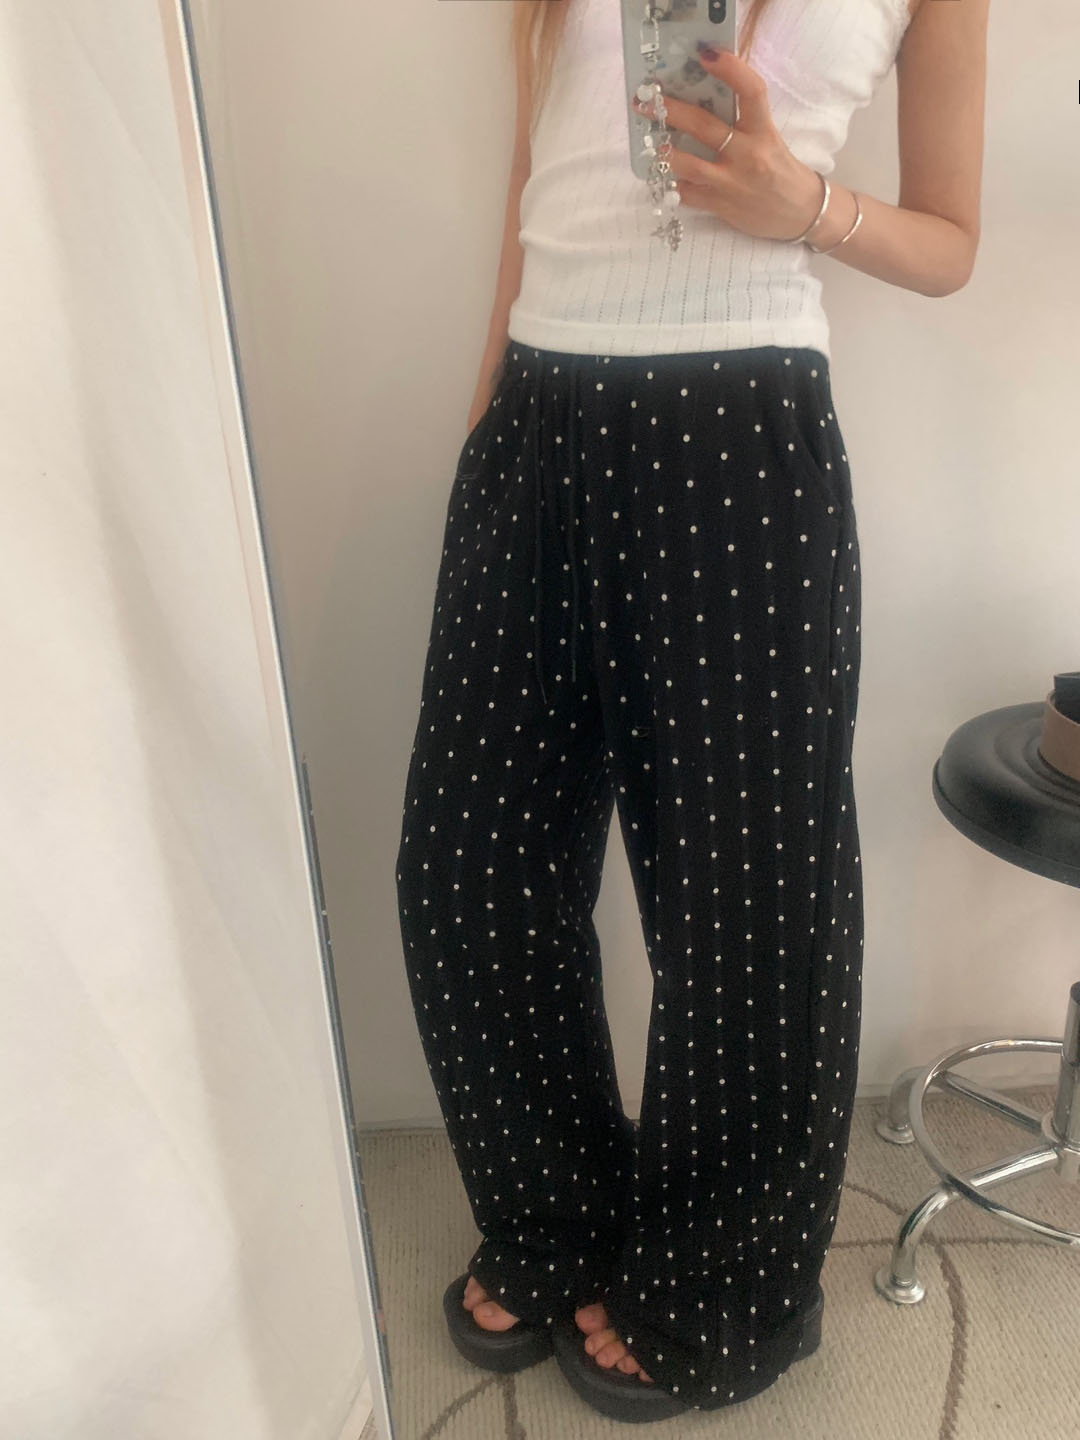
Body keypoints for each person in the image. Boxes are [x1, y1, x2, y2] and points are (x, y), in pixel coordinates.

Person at [396, 0, 988, 1418]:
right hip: (539, 407)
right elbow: (532, 184)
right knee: (469, 869)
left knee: (748, 908)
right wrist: (488, 425)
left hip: (741, 426)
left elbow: (953, 244)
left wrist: (807, 204)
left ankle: (729, 1286)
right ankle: (557, 1214)